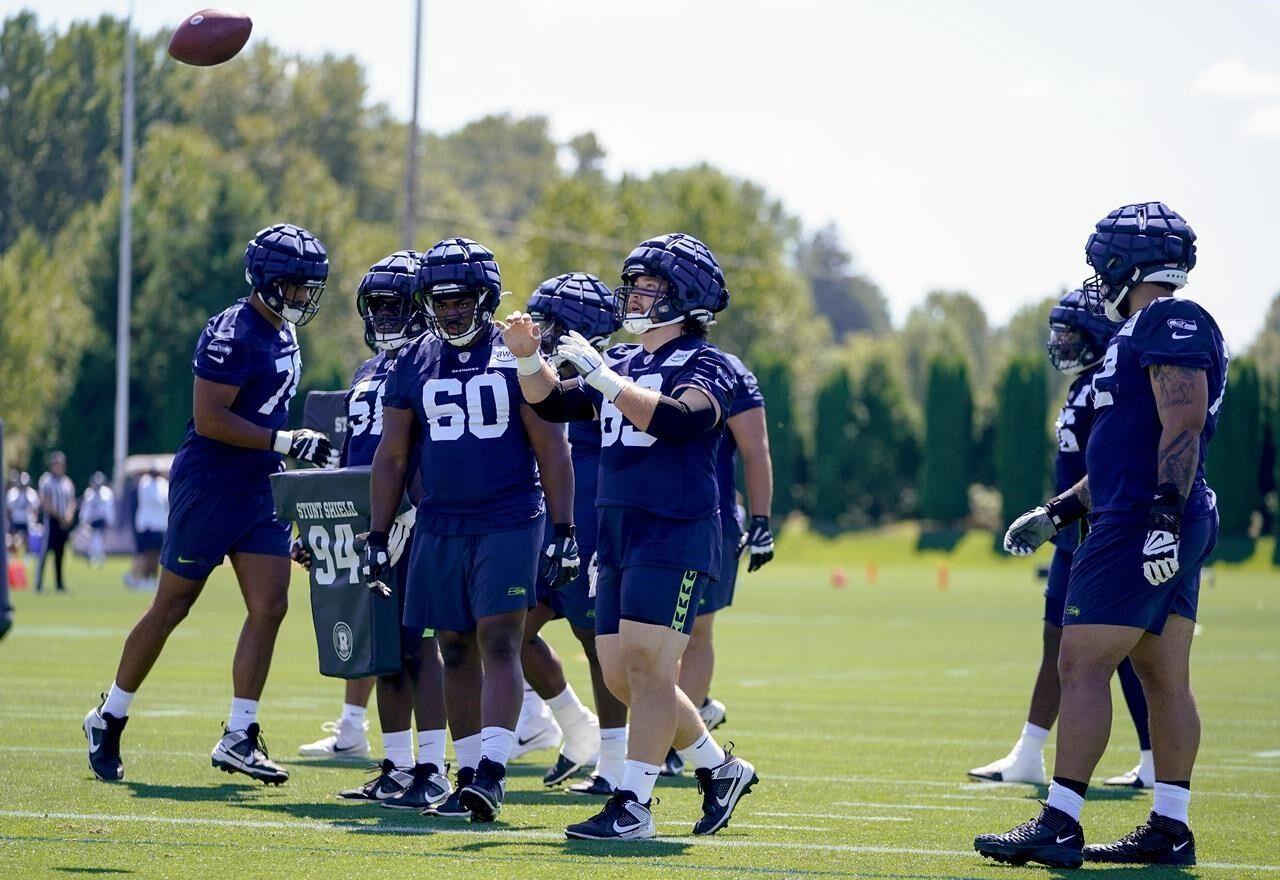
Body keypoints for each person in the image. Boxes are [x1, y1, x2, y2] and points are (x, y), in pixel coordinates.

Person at [977, 202, 1224, 868]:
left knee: (1081, 664)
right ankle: (1171, 826)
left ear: (1121, 263)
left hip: (1144, 518)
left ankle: (1060, 822)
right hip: (1145, 509)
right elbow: (1122, 451)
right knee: (1162, 675)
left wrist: (1163, 521)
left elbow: (1184, 422)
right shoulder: (1139, 330)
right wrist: (1056, 511)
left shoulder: (1170, 318)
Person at [504, 232, 758, 840]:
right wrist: (526, 359)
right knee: (622, 674)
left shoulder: (708, 364)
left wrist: (609, 380)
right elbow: (553, 404)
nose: (635, 296)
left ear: (685, 298)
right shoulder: (632, 359)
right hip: (618, 527)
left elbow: (681, 420)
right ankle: (718, 768)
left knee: (647, 667)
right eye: (635, 285)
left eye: (650, 288)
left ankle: (634, 804)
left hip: (673, 526)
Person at [83, 223, 337, 785]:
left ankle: (240, 735)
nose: (301, 297)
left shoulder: (284, 333)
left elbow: (266, 410)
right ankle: (110, 717)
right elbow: (211, 419)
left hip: (259, 485)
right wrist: (285, 441)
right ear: (267, 281)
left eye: (307, 287)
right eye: (293, 286)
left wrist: (292, 448)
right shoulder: (233, 330)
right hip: (210, 485)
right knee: (173, 605)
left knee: (270, 604)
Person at [364, 237, 577, 822]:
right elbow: (392, 456)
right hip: (440, 522)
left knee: (500, 640)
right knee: (452, 648)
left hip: (508, 517)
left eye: (461, 300)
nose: (450, 311)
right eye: (439, 300)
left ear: (485, 298)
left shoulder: (516, 352)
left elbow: (551, 448)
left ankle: (492, 772)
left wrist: (564, 527)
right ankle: (465, 775)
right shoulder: (414, 360)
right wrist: (378, 534)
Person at [969, 290, 1154, 788]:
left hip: (1100, 534)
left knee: (1124, 652)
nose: (1060, 341)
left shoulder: (1112, 382)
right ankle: (1029, 753)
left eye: (1069, 331)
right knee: (1058, 643)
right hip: (1070, 534)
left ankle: (1153, 758)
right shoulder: (1083, 385)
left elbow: (1113, 464)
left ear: (1097, 333)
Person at [304, 251, 454, 810]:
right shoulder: (368, 371)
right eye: (378, 305)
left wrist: (407, 513)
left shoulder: (432, 363)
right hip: (368, 525)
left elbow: (422, 452)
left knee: (418, 649)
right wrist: (323, 520)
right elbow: (354, 456)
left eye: (396, 304)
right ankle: (396, 766)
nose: (385, 316)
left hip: (413, 522)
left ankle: (433, 768)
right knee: (382, 652)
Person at [515, 274, 627, 793]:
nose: (541, 331)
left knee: (597, 642)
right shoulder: (535, 371)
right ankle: (573, 725)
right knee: (503, 628)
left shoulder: (611, 375)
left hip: (590, 518)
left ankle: (616, 760)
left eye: (553, 323)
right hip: (544, 519)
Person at [664, 347, 774, 776]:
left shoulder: (723, 367)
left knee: (694, 633)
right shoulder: (633, 358)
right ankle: (691, 715)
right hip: (645, 518)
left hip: (708, 518)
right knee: (646, 641)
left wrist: (762, 518)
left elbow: (755, 446)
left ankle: (676, 738)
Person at [35, 452, 76, 592]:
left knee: (61, 553)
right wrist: (59, 516)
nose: (58, 466)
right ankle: (39, 583)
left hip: (64, 521)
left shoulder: (67, 482)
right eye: (56, 464)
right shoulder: (46, 480)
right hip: (52, 520)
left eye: (61, 464)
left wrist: (69, 516)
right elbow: (45, 501)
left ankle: (59, 583)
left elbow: (71, 501)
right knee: (45, 551)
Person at [128, 469, 169, 590]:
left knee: (153, 554)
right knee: (148, 554)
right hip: (149, 524)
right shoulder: (147, 483)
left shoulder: (150, 483)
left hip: (154, 524)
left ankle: (149, 578)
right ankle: (143, 577)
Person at [79, 472, 116, 569]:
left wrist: (110, 520)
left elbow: (109, 508)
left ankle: (99, 557)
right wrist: (84, 519)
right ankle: (94, 556)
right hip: (93, 520)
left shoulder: (107, 493)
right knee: (94, 539)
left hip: (101, 519)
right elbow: (85, 507)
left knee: (99, 539)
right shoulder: (89, 493)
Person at [6, 471, 40, 556]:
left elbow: (35, 509)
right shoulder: (12, 493)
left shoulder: (32, 494)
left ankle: (26, 556)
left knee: (25, 540)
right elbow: (9, 510)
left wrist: (34, 521)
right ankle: (15, 556)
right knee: (14, 540)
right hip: (15, 521)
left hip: (27, 521)